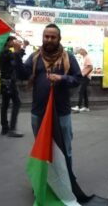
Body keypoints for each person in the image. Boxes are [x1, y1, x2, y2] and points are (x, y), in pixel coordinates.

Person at [14, 23, 81, 162]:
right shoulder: (35, 57)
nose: (49, 40)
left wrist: (62, 78)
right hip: (39, 111)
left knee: (64, 148)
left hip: (61, 112)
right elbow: (22, 75)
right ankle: (45, 179)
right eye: (46, 36)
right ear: (43, 37)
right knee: (42, 148)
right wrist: (16, 54)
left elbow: (77, 79)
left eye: (53, 37)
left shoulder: (68, 57)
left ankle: (66, 179)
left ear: (59, 39)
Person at [0, 36, 24, 137]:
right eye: (12, 40)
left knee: (5, 104)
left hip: (5, 82)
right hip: (10, 82)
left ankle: (5, 128)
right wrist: (22, 48)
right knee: (17, 103)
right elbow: (16, 58)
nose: (14, 42)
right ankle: (12, 128)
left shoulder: (3, 52)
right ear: (8, 42)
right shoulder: (6, 52)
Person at [72, 47, 93, 112]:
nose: (79, 52)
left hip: (85, 77)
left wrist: (85, 74)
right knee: (84, 92)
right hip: (85, 77)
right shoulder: (85, 57)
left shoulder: (87, 57)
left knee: (81, 91)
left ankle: (78, 106)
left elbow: (91, 67)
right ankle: (86, 107)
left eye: (80, 51)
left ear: (83, 50)